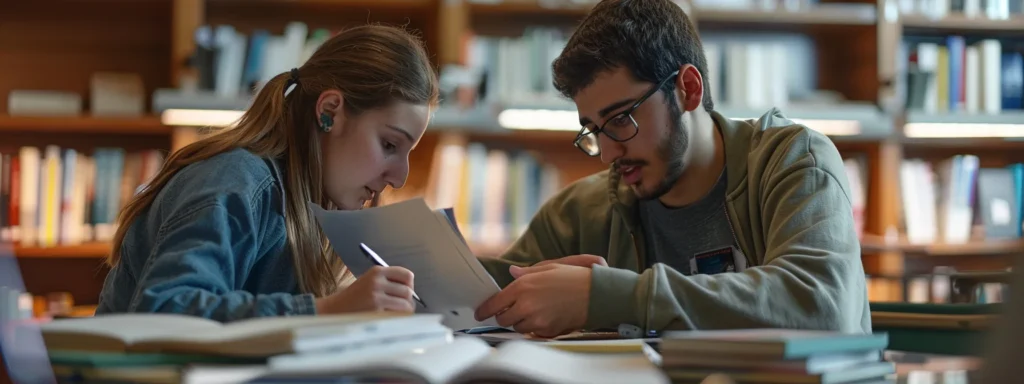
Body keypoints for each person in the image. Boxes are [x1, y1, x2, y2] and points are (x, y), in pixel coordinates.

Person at [473, 0, 870, 338]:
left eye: (621, 119)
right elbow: (482, 291)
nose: (608, 154)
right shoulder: (582, 209)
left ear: (688, 89)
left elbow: (821, 306)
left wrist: (610, 298)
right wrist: (414, 281)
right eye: (594, 130)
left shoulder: (793, 161)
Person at [95, 25, 439, 322]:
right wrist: (327, 311)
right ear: (330, 111)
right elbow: (166, 309)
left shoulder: (308, 205)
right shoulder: (235, 181)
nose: (399, 178)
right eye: (390, 145)